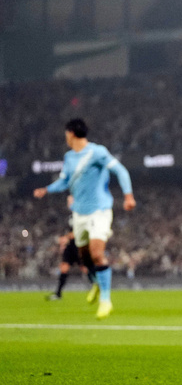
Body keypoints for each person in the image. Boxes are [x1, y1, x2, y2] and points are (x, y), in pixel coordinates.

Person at [33, 118, 135, 319]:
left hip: (99, 210)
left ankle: (105, 300)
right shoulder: (69, 157)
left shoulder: (97, 152)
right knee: (84, 257)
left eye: (65, 134)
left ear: (70, 133)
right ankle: (97, 282)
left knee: (97, 254)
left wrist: (128, 195)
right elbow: (64, 182)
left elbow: (120, 170)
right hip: (79, 213)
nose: (65, 137)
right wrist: (47, 189)